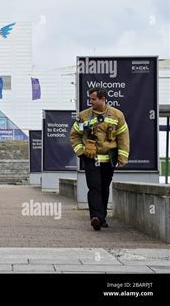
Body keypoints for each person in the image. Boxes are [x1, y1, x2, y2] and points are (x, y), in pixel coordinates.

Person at [70, 87, 129, 231]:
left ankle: (102, 218)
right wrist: (82, 152)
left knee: (104, 188)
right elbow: (74, 135)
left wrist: (122, 157)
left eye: (93, 99)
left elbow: (123, 137)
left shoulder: (117, 115)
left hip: (109, 159)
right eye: (90, 99)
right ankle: (95, 217)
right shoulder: (83, 116)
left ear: (103, 99)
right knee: (94, 187)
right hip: (91, 159)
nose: (90, 101)